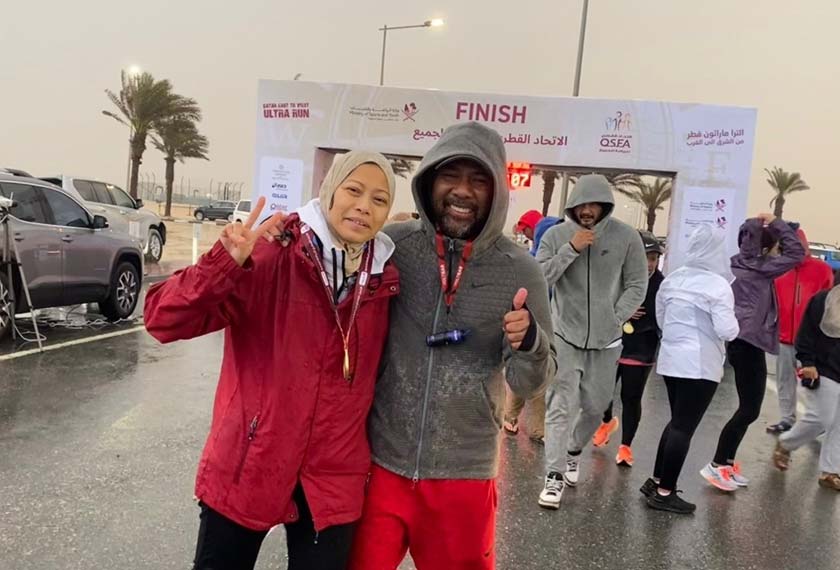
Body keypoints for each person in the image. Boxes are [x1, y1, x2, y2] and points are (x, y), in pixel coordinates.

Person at [144, 152, 399, 570]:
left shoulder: (386, 279)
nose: (363, 206)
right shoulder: (271, 253)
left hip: (334, 477)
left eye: (379, 199)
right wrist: (224, 262)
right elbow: (161, 318)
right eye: (353, 190)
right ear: (330, 190)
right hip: (250, 461)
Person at [348, 122, 555, 569]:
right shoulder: (393, 247)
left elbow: (531, 381)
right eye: (451, 176)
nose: (463, 191)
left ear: (497, 190)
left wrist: (530, 343)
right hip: (381, 465)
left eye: (478, 179)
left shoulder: (522, 271)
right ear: (430, 182)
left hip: (464, 476)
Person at [536, 174, 648, 509]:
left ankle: (573, 451)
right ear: (572, 206)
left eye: (593, 204)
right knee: (558, 405)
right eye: (581, 205)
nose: (587, 210)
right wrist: (571, 249)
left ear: (604, 205)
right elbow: (540, 278)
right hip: (564, 335)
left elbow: (637, 284)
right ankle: (553, 476)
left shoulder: (626, 237)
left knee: (596, 407)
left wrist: (616, 318)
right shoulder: (557, 236)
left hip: (607, 340)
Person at [702, 213, 805, 491]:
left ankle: (726, 464)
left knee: (748, 409)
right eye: (774, 245)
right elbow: (797, 252)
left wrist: (767, 228)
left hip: (745, 342)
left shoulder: (745, 264)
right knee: (749, 410)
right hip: (747, 343)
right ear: (765, 246)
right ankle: (716, 465)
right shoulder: (760, 267)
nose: (778, 251)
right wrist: (776, 224)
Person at [641, 224, 740, 513]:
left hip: (671, 361)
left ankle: (656, 479)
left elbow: (661, 318)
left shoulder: (673, 279)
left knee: (675, 423)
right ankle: (665, 492)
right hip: (701, 366)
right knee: (684, 427)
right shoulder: (718, 285)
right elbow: (727, 330)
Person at [591, 230, 665, 467]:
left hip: (641, 348)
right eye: (644, 257)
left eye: (653, 258)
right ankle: (606, 421)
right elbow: (599, 306)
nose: (649, 264)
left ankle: (625, 447)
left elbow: (663, 317)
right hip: (612, 342)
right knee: (602, 392)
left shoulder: (661, 285)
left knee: (631, 398)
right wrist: (624, 310)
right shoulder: (617, 278)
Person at [772, 283, 840, 491]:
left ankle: (830, 470)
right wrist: (807, 361)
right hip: (824, 366)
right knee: (822, 417)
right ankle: (787, 443)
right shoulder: (825, 300)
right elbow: (807, 332)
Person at [768, 225, 834, 434]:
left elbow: (830, 304)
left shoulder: (821, 270)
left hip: (813, 340)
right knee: (785, 380)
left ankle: (819, 420)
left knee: (815, 382)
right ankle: (787, 418)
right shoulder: (779, 270)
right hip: (785, 338)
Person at [504, 209, 549, 443]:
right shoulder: (532, 254)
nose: (527, 235)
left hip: (542, 321)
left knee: (535, 372)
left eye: (527, 230)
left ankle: (524, 423)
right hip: (531, 319)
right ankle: (533, 428)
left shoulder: (537, 256)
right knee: (527, 371)